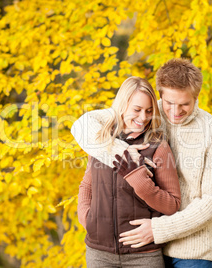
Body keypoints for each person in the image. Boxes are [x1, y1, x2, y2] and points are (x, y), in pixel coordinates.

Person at [72, 58, 212, 267]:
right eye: (169, 103)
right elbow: (82, 125)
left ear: (196, 97)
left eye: (184, 104)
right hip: (145, 247)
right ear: (160, 95)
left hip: (192, 250)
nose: (175, 111)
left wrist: (159, 229)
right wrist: (123, 151)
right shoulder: (146, 112)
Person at [75, 76, 181, 267]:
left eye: (149, 111)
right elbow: (87, 185)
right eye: (137, 110)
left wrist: (139, 180)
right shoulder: (102, 140)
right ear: (122, 105)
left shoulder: (158, 146)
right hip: (99, 254)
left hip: (143, 256)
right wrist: (88, 220)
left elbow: (172, 204)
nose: (143, 118)